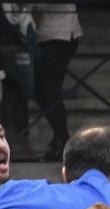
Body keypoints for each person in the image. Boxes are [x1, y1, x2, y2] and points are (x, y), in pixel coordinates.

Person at [32, 2, 80, 161]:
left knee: (49, 91)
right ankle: (59, 139)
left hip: (61, 35)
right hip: (47, 34)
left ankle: (64, 143)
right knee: (42, 92)